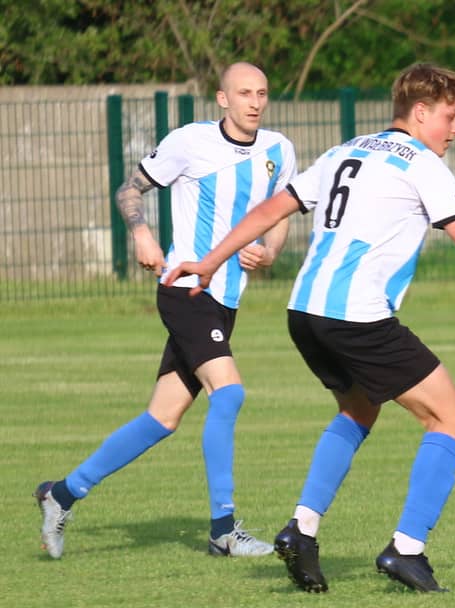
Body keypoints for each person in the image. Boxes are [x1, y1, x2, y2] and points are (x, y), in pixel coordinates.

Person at [164, 62, 455, 593]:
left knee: (358, 409)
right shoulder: (423, 164)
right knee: (452, 418)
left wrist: (209, 261)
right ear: (421, 112)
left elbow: (269, 211)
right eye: (450, 116)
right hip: (357, 316)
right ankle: (406, 549)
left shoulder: (345, 150)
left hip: (304, 312)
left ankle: (302, 530)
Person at [34, 62, 297, 559]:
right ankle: (223, 531)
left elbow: (283, 208)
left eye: (262, 93)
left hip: (226, 299)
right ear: (222, 98)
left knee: (162, 417)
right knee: (229, 393)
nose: (255, 102)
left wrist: (271, 251)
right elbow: (129, 189)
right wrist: (141, 233)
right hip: (186, 289)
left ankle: (61, 494)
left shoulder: (279, 149)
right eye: (244, 93)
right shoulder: (190, 141)